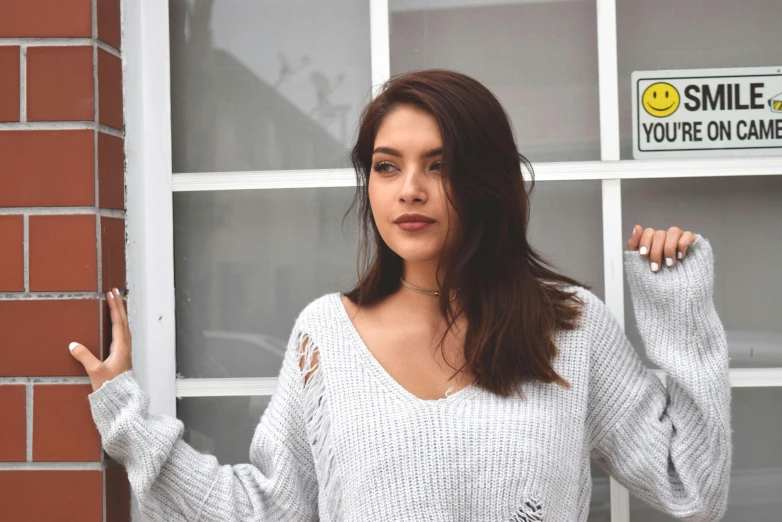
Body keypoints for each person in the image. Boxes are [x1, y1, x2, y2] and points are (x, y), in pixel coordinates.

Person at [70, 70, 731, 521]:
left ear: (488, 182)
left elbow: (692, 487)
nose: (408, 189)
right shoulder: (323, 335)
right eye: (388, 167)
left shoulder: (568, 327)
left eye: (439, 166)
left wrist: (678, 310)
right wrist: (128, 421)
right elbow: (269, 508)